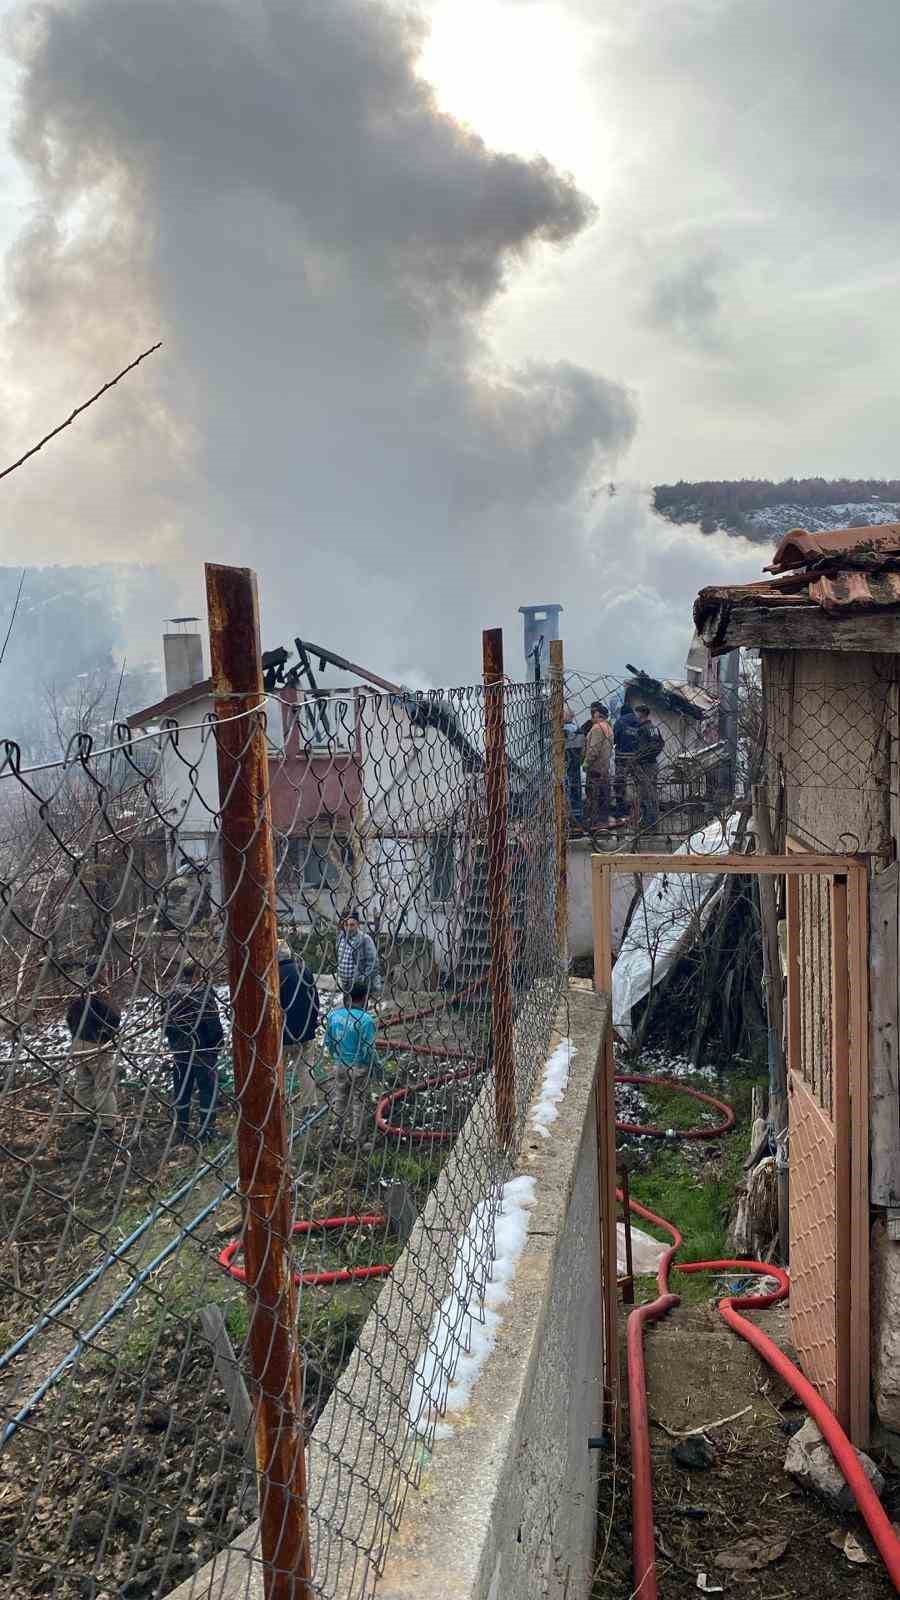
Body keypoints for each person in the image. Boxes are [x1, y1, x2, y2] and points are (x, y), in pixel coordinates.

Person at [161, 964, 225, 1144]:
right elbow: (213, 1025)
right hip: (204, 1051)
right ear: (198, 974)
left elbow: (166, 1026)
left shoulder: (170, 996)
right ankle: (207, 1132)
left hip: (180, 1051)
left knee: (182, 1090)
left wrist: (174, 1043)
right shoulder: (204, 995)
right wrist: (215, 1046)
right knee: (207, 1091)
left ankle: (181, 1129)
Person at [322, 982, 380, 1148]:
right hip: (359, 1067)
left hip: (340, 1064)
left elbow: (329, 1042)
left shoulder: (334, 1016)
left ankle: (336, 1133)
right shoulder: (366, 1020)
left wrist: (338, 1056)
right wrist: (375, 1065)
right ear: (365, 999)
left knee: (340, 1099)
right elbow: (368, 1049)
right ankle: (356, 1138)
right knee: (359, 1102)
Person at [66, 966, 121, 1135]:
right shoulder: (102, 993)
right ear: (101, 973)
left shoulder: (79, 991)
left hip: (78, 1042)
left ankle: (81, 1118)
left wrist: (76, 1033)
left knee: (83, 1081)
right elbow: (114, 1018)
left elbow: (69, 1017)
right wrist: (107, 1035)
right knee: (103, 1084)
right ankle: (106, 1123)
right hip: (97, 1044)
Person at [277, 939, 320, 1109]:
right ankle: (310, 1103)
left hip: (282, 1034)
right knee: (306, 1069)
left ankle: (280, 1105)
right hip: (305, 1031)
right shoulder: (305, 970)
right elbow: (315, 1000)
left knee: (277, 1071)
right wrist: (312, 1024)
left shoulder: (274, 975)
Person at [336, 911, 382, 1006]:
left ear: (358, 925)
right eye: (346, 924)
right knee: (347, 1008)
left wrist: (362, 980)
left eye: (352, 925)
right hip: (345, 984)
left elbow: (374, 963)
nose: (348, 928)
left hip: (358, 986)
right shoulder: (340, 937)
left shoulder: (365, 939)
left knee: (358, 1011)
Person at [583, 702, 613, 833]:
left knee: (593, 796)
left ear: (597, 715)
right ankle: (603, 822)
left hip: (595, 768)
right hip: (605, 767)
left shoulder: (597, 728)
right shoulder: (608, 727)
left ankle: (594, 824)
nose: (591, 717)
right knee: (604, 796)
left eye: (593, 714)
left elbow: (594, 750)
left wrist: (586, 762)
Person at [634, 703, 664, 828]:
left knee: (647, 794)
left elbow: (654, 746)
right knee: (650, 793)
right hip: (651, 764)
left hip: (646, 765)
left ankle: (649, 822)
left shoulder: (644, 728)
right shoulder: (653, 728)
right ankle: (651, 821)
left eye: (637, 713)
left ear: (641, 714)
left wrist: (641, 757)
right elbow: (660, 743)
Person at [613, 701, 642, 819]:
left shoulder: (620, 721)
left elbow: (614, 739)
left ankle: (621, 809)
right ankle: (638, 809)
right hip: (636, 757)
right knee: (637, 783)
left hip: (622, 757)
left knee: (620, 783)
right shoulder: (639, 721)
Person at [563, 703, 584, 823]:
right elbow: (582, 751)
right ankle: (577, 817)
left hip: (566, 765)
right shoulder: (579, 730)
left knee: (567, 790)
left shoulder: (564, 731)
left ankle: (568, 817)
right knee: (576, 790)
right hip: (576, 765)